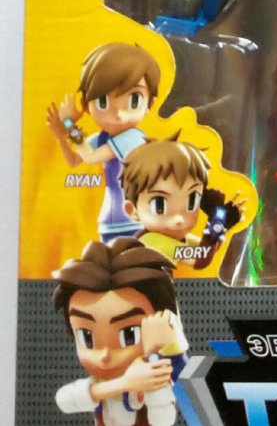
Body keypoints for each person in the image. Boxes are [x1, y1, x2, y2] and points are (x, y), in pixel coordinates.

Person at [53, 237, 188, 426]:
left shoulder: (151, 378)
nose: (105, 355)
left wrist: (152, 354)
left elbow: (163, 420)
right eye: (86, 337)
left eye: (129, 335)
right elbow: (64, 400)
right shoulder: (99, 385)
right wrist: (126, 383)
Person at [47, 43, 161, 241]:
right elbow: (74, 160)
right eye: (103, 101)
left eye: (134, 99)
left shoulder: (133, 138)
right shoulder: (103, 138)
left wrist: (69, 124)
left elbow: (91, 157)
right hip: (111, 221)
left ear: (149, 103)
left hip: (134, 220)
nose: (118, 114)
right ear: (87, 105)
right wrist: (60, 136)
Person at [121, 137, 245, 268]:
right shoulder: (154, 241)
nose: (179, 219)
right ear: (133, 210)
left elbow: (207, 249)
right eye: (159, 205)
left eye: (192, 201)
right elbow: (200, 258)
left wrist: (222, 223)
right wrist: (217, 219)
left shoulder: (166, 237)